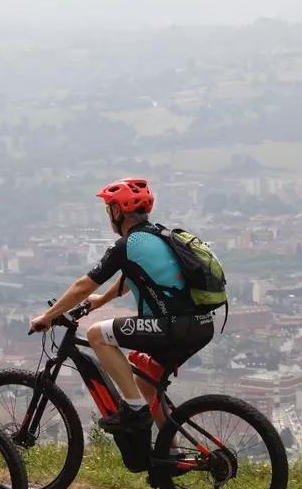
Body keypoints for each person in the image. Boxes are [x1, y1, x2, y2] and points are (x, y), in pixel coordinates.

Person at [30, 178, 215, 431]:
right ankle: (169, 456)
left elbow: (84, 286)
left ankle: (134, 410)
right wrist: (101, 302)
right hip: (200, 325)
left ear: (118, 211)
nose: (109, 216)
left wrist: (48, 316)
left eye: (109, 210)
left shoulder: (128, 244)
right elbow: (134, 277)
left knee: (97, 335)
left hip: (174, 326)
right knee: (149, 387)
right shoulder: (159, 236)